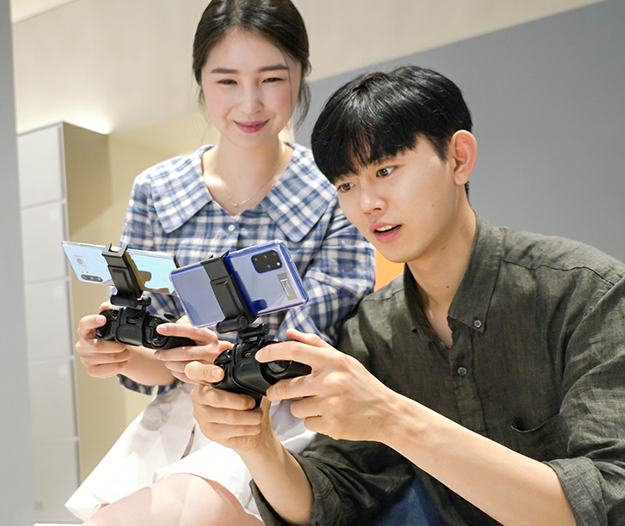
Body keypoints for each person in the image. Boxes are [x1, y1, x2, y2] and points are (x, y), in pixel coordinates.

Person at [186, 65, 625, 525]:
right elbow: (332, 501)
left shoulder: (587, 294)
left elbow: (610, 501)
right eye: (346, 185)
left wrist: (392, 418)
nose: (367, 203)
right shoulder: (374, 328)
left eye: (386, 170)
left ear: (458, 158)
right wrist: (256, 444)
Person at [66, 1, 376, 524]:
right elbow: (158, 361)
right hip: (176, 425)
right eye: (227, 81)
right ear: (201, 81)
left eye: (271, 78)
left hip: (286, 425)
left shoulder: (334, 189)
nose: (249, 103)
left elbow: (311, 349)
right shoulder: (157, 191)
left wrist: (220, 356)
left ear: (300, 75)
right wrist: (120, 353)